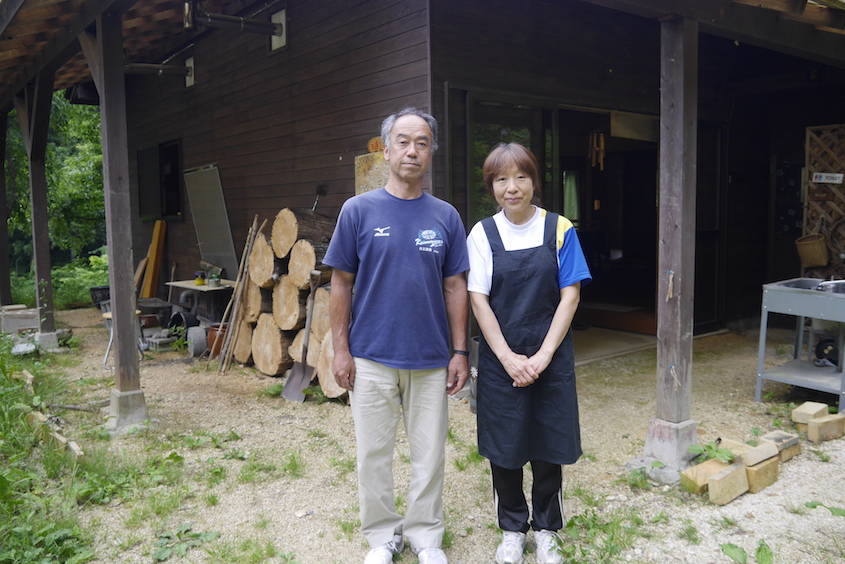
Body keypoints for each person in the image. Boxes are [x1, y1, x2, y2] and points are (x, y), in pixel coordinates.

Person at [324, 107, 470, 564]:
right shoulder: (358, 210)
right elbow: (340, 283)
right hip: (370, 355)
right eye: (403, 141)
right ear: (385, 149)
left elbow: (455, 286)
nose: (412, 150)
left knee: (429, 455)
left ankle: (426, 537)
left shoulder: (445, 216)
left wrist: (460, 350)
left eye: (422, 142)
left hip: (430, 356)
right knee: (373, 454)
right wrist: (341, 350)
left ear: (430, 153)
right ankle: (383, 537)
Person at [466, 143, 591, 564]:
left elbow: (570, 295)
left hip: (550, 357)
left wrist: (542, 356)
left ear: (534, 181)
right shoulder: (482, 234)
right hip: (503, 361)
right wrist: (507, 358)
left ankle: (548, 529)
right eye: (501, 179)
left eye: (521, 177)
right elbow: (478, 301)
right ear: (492, 187)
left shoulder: (559, 228)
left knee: (548, 444)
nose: (512, 187)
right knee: (505, 447)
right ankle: (512, 529)